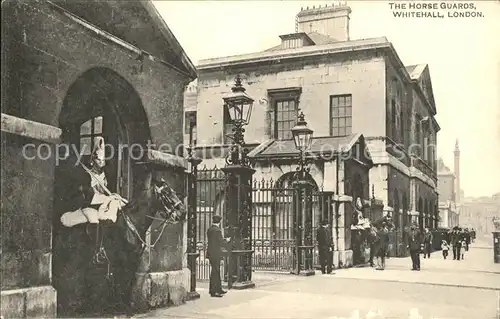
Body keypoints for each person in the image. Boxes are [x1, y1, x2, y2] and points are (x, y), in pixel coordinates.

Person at [60, 137, 125, 227]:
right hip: (89, 205)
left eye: (103, 161)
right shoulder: (86, 175)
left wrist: (112, 197)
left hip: (101, 203)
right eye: (99, 160)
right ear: (93, 160)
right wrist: (107, 198)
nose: (101, 163)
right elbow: (88, 196)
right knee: (94, 218)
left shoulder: (105, 174)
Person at [207, 215, 229, 297]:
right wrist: (226, 240)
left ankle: (218, 289)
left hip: (210, 253)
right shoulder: (217, 231)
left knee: (215, 271)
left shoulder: (210, 229)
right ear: (219, 222)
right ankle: (214, 292)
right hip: (216, 253)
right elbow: (221, 242)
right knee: (215, 272)